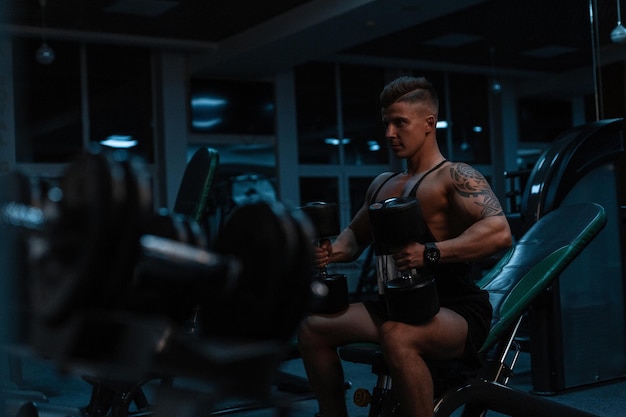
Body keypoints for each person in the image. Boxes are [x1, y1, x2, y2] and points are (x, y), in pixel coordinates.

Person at [297, 76, 512, 417]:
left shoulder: (454, 175)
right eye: (386, 124)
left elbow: (499, 232)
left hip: (454, 310)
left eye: (400, 123)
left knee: (398, 336)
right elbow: (354, 236)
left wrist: (429, 253)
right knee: (313, 328)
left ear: (429, 123)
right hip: (393, 306)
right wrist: (331, 252)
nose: (389, 133)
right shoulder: (382, 183)